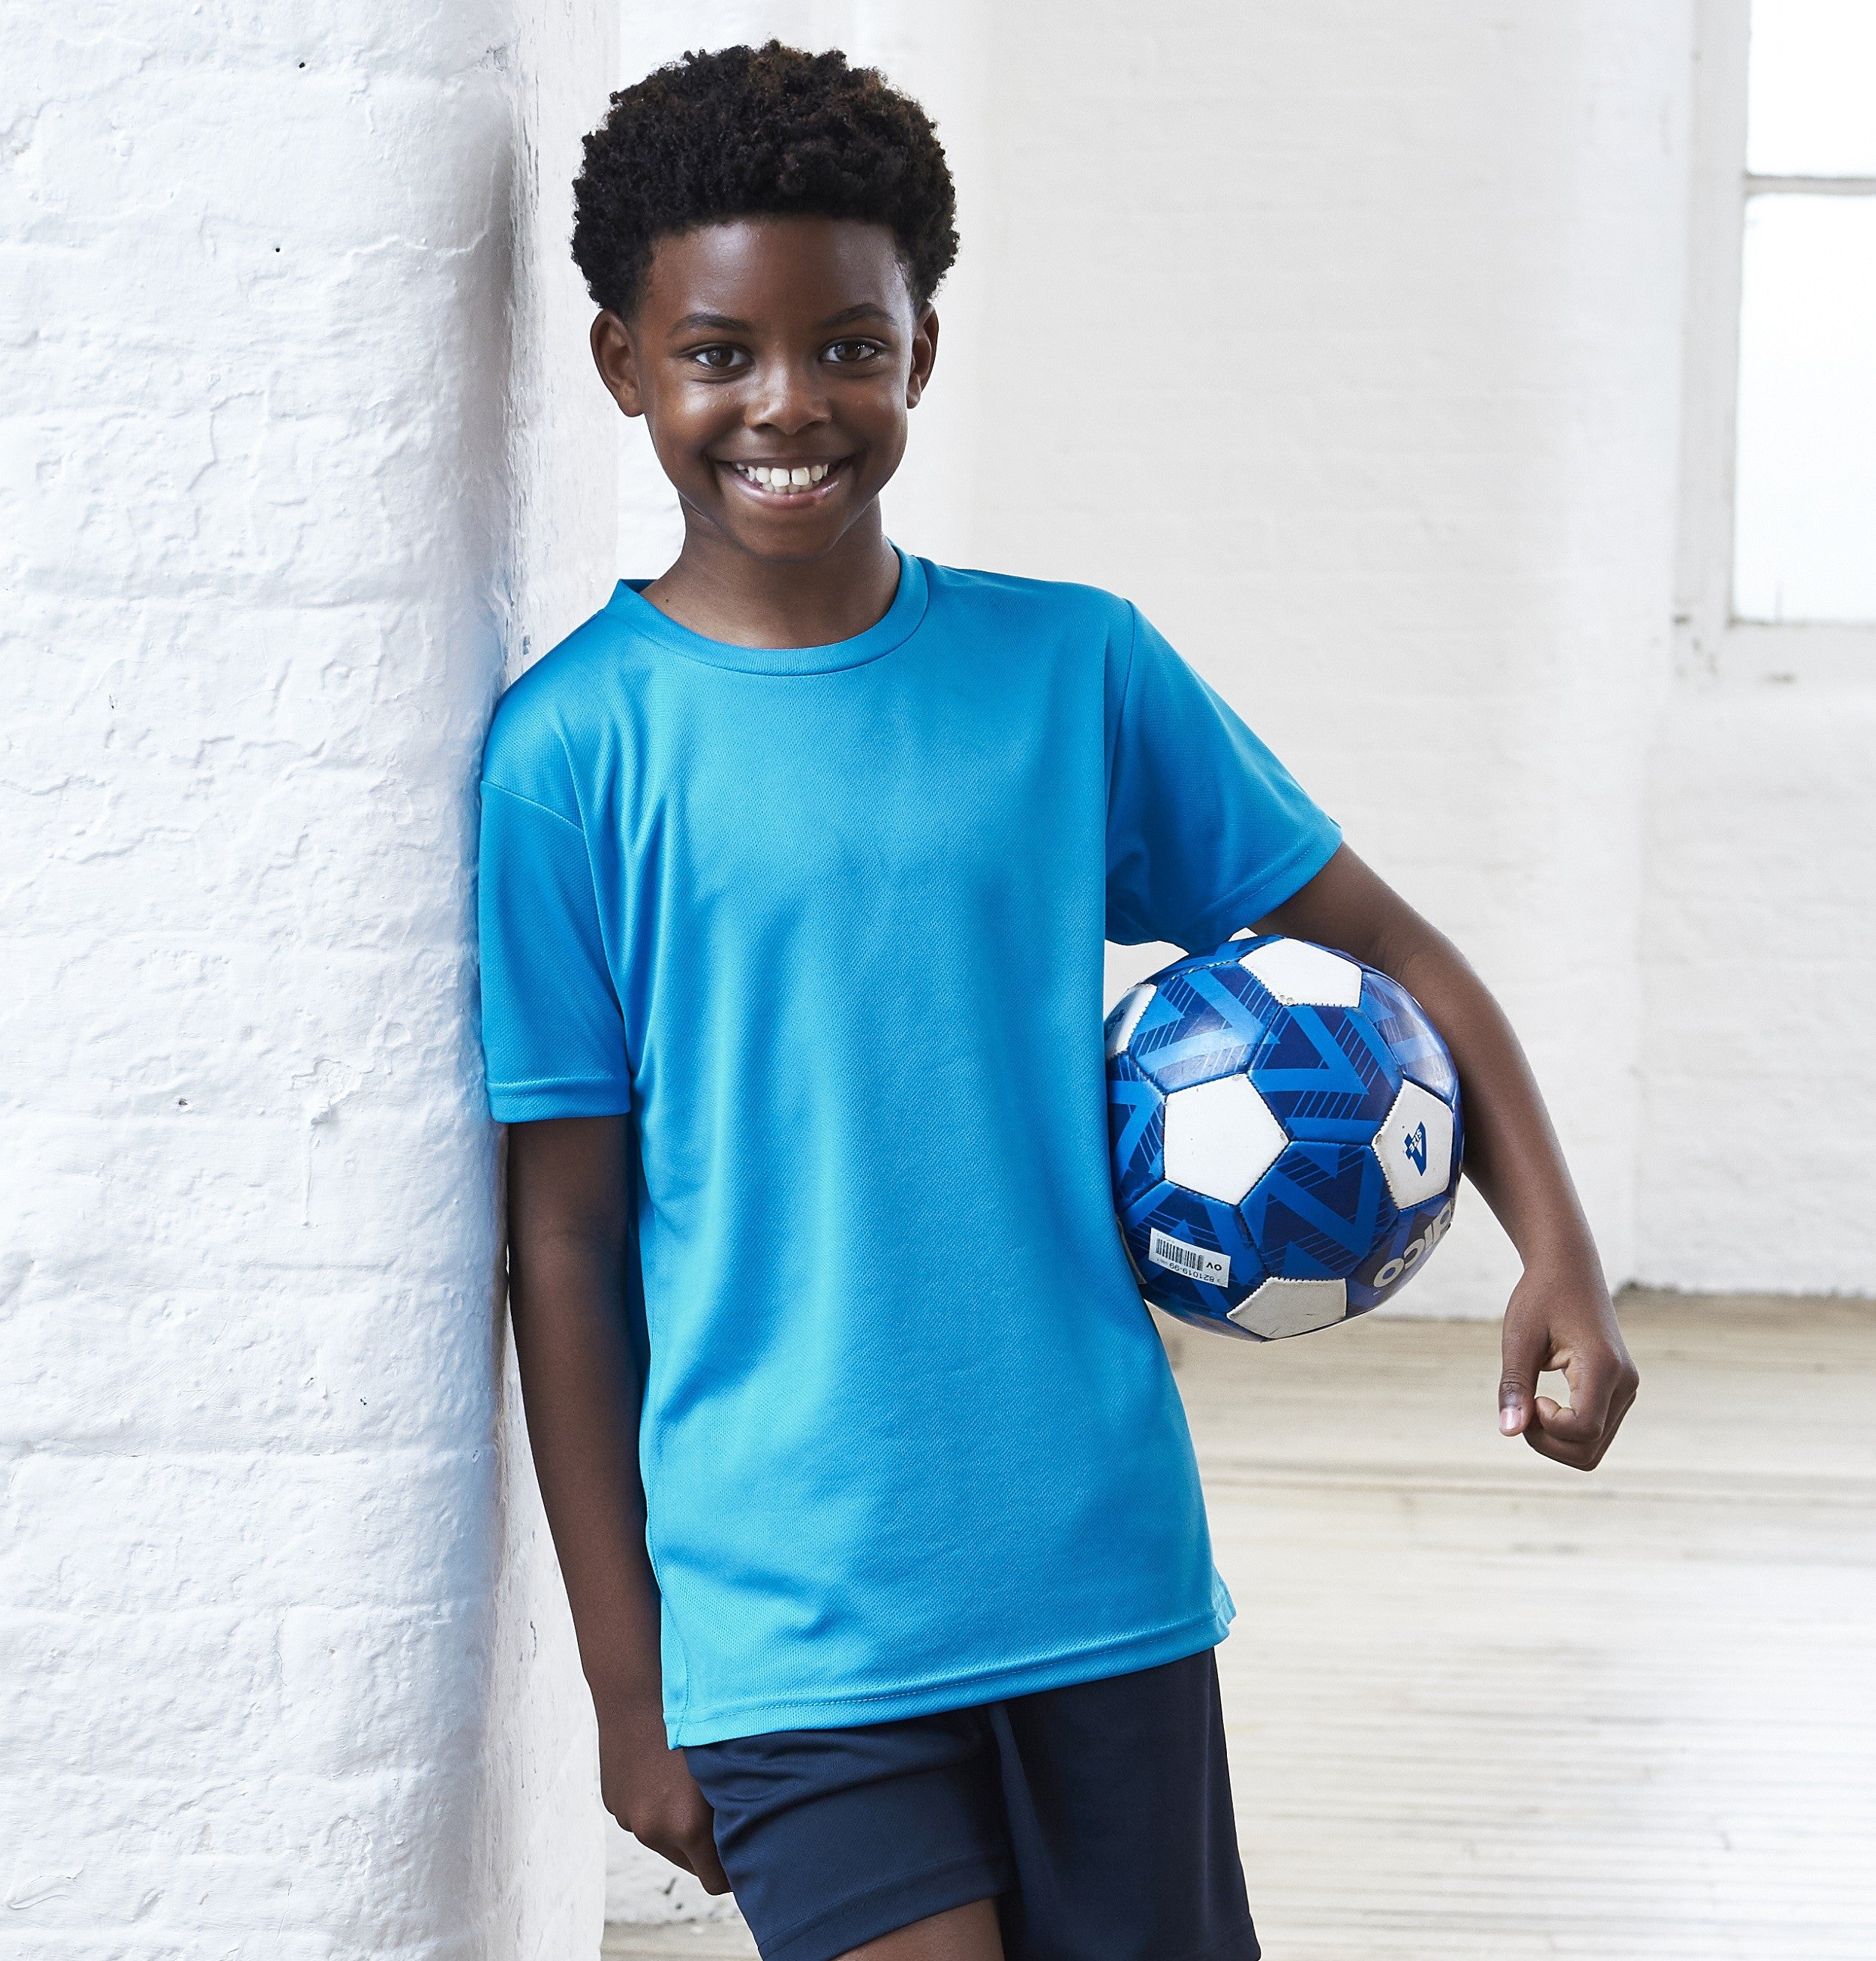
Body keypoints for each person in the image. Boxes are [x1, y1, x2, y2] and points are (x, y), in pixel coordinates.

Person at [477, 41, 1638, 1961]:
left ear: (921, 352)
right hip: (790, 1605)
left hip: (1094, 1568)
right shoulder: (567, 758)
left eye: (849, 346)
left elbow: (1395, 953)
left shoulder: (1071, 671)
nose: (789, 402)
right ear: (623, 363)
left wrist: (1558, 1253)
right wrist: (625, 1676)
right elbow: (565, 1236)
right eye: (718, 353)